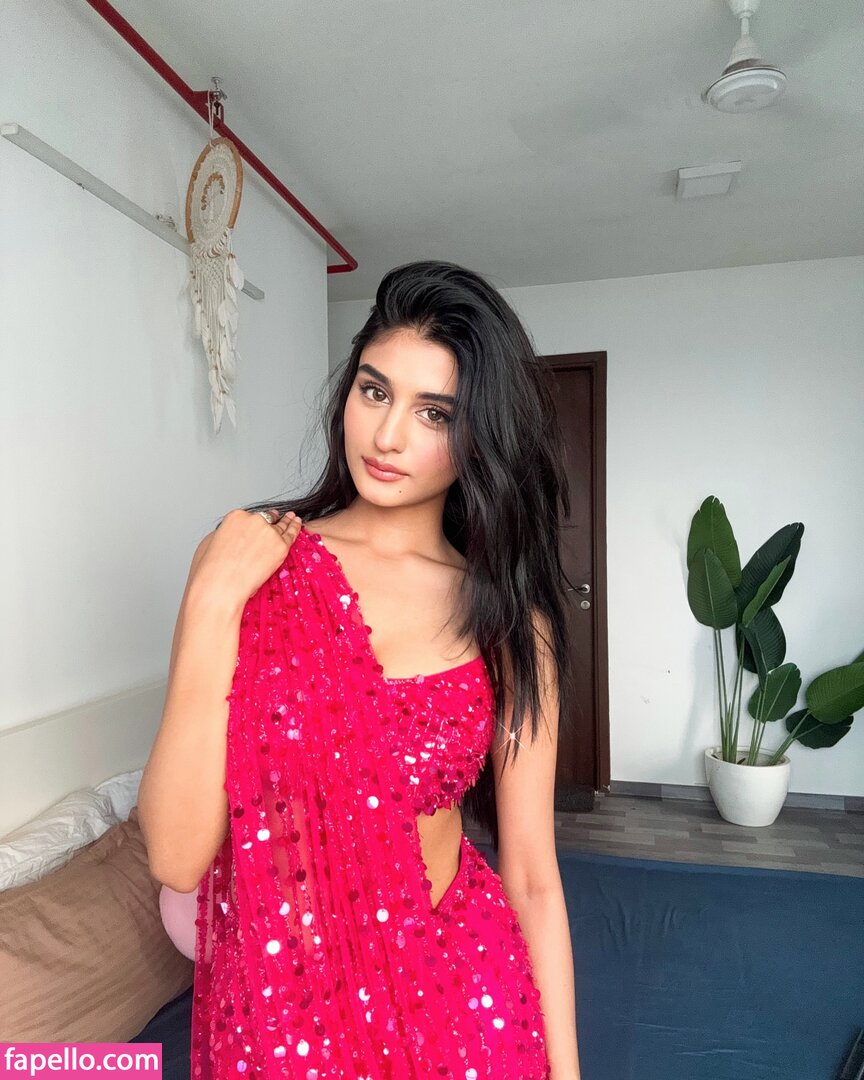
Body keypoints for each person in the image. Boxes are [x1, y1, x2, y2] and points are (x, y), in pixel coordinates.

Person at [138, 260, 582, 1078]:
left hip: (460, 1001)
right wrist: (210, 600)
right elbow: (174, 856)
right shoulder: (249, 565)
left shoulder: (510, 619)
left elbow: (531, 876)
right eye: (375, 392)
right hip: (284, 1013)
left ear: (479, 436)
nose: (388, 436)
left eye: (434, 413)